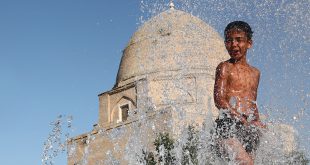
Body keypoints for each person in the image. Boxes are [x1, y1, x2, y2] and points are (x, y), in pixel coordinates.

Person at [213, 21, 266, 165]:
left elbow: (252, 102)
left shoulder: (255, 73)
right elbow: (219, 100)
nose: (234, 44)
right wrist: (240, 119)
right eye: (229, 41)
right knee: (245, 163)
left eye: (239, 40)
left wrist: (257, 122)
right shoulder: (225, 67)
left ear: (249, 43)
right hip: (227, 126)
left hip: (248, 128)